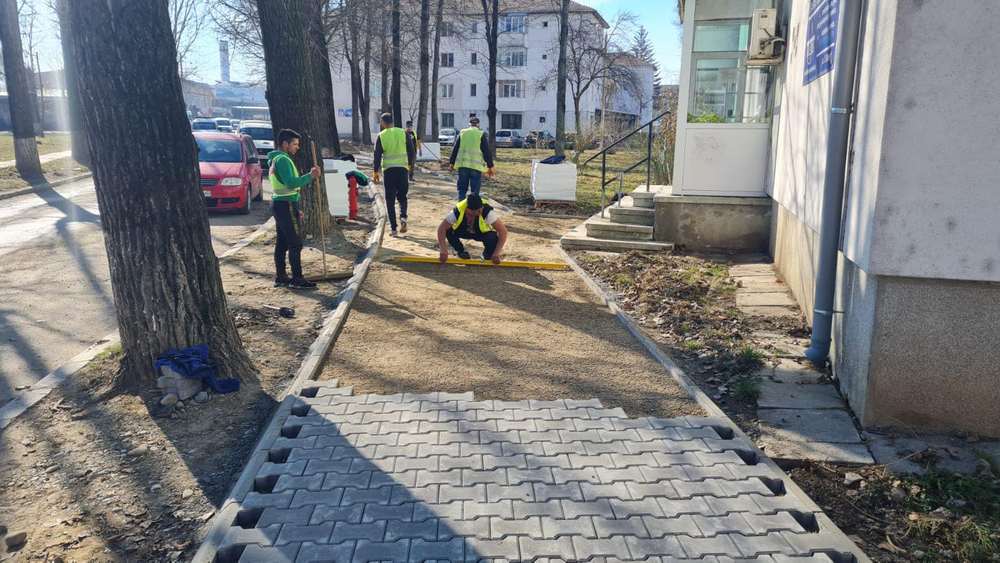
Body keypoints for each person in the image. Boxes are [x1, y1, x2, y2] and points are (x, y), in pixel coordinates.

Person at [267, 129, 320, 289]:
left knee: (282, 242)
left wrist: (295, 207)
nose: (297, 147)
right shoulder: (283, 159)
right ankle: (297, 279)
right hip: (286, 204)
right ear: (285, 144)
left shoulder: (275, 159)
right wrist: (310, 176)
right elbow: (291, 183)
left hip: (282, 203)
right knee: (295, 243)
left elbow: (286, 186)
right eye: (295, 144)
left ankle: (281, 277)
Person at [373, 113, 416, 236]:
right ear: (392, 121)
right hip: (402, 170)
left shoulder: (381, 135)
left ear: (382, 122)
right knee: (402, 196)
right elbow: (411, 151)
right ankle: (403, 217)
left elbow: (377, 155)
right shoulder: (403, 133)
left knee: (390, 200)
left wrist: (375, 171)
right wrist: (410, 165)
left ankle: (393, 229)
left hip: (389, 171)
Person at [437, 194, 508, 264]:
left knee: (492, 237)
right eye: (475, 212)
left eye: (480, 210)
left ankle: (487, 256)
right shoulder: (457, 211)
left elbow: (503, 231)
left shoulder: (488, 212)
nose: (479, 213)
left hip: (481, 233)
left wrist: (496, 253)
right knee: (449, 230)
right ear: (467, 209)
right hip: (463, 231)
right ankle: (461, 251)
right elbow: (441, 229)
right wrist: (443, 250)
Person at [449, 115, 495, 200]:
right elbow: (486, 151)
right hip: (475, 167)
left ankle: (460, 205)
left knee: (462, 189)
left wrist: (451, 163)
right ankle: (473, 207)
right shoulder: (480, 134)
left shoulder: (462, 133)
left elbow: (455, 148)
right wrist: (490, 166)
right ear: (478, 124)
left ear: (469, 124)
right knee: (474, 192)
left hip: (463, 166)